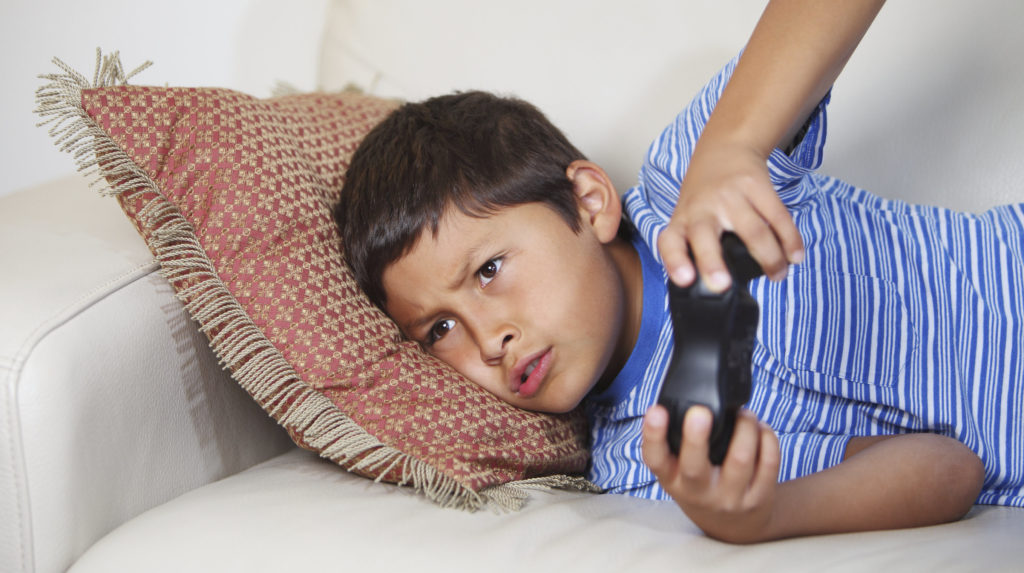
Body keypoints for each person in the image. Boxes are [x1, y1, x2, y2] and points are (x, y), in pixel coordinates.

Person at [334, 0, 1024, 543]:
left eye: (488, 269)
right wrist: (760, 516)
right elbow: (950, 470)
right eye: (440, 328)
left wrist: (735, 146)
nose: (488, 342)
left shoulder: (688, 183)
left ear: (590, 202)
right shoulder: (645, 460)